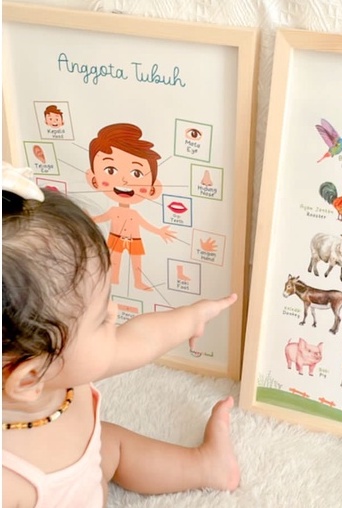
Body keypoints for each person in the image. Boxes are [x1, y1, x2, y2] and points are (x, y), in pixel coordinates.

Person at [2, 163, 240, 507]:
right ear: (29, 377)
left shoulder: (58, 371)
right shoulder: (10, 481)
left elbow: (142, 339)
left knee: (111, 442)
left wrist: (192, 318)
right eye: (101, 319)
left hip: (91, 460)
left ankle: (206, 466)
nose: (114, 313)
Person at [86, 123, 176, 291]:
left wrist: (159, 231)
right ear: (94, 180)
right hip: (116, 238)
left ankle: (138, 282)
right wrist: (87, 218)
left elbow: (145, 225)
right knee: (115, 259)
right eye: (110, 170)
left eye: (136, 173)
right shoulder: (113, 211)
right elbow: (100, 218)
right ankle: (113, 279)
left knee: (136, 261)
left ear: (152, 189)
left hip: (134, 240)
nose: (124, 181)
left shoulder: (134, 214)